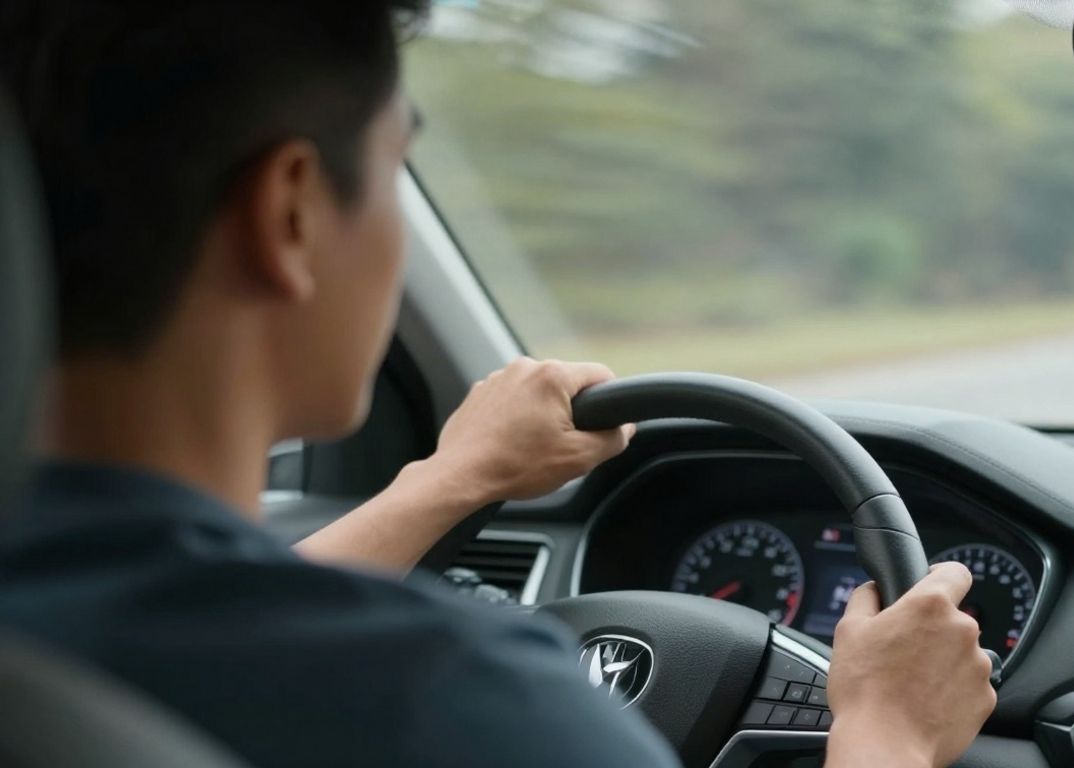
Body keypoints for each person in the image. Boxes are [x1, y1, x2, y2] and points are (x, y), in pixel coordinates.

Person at [0, 2, 996, 767]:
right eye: (397, 168)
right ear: (291, 214)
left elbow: (193, 619)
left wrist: (451, 478)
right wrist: (885, 730)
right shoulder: (452, 701)